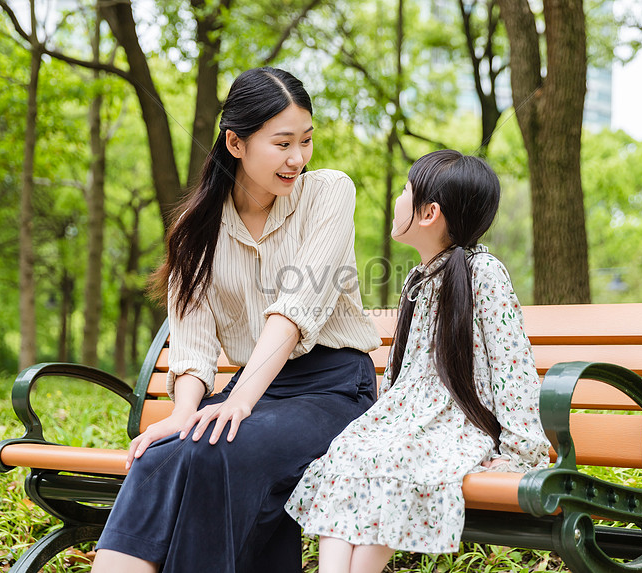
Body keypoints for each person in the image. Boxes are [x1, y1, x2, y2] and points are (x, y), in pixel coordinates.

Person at [91, 67, 381, 573]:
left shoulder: (329, 193)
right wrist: (183, 414)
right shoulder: (195, 230)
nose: (298, 159)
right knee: (157, 459)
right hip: (259, 393)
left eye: (306, 141)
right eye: (283, 143)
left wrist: (240, 400)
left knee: (215, 451)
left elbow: (295, 308)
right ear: (236, 143)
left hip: (333, 391)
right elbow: (193, 344)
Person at [285, 150, 551, 573]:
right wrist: (381, 419)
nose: (397, 198)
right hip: (404, 420)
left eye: (406, 190)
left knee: (394, 460)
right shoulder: (418, 279)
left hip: (454, 424)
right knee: (348, 452)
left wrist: (521, 449)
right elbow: (401, 370)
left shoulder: (484, 272)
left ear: (429, 213)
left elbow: (512, 367)